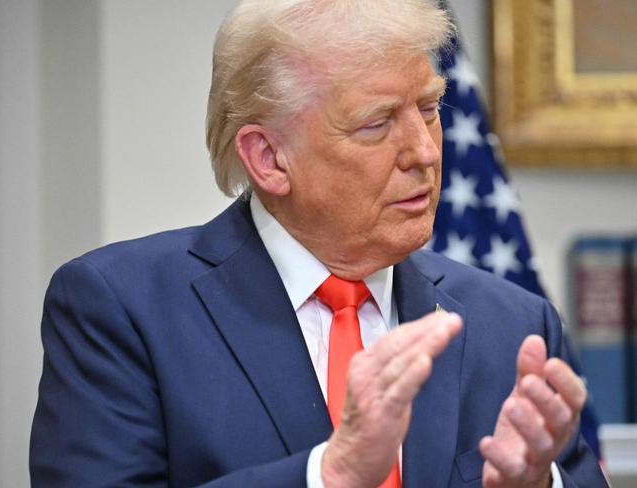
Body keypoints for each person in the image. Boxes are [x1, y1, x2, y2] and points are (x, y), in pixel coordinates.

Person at [30, 0, 607, 486]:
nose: (425, 152)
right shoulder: (122, 309)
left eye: (429, 109)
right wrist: (331, 474)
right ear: (269, 158)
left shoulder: (513, 323)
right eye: (377, 123)